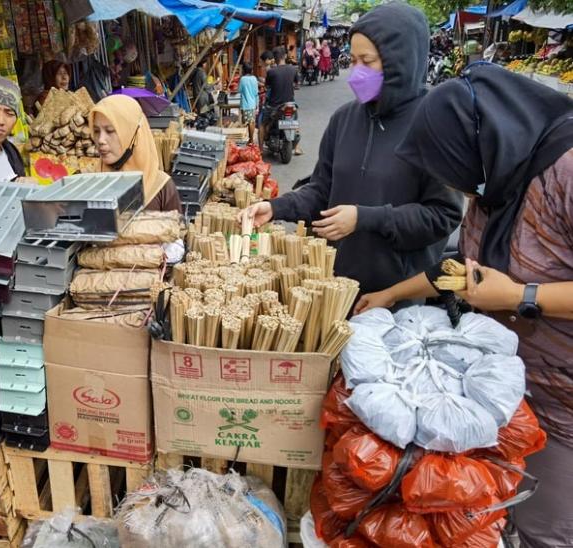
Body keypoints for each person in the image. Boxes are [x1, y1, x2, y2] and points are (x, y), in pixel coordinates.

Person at [354, 63, 573, 546]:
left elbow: (504, 286)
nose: (457, 186)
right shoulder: (499, 178)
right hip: (505, 391)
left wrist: (521, 297)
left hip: (563, 407)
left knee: (544, 525)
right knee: (492, 511)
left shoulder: (565, 170)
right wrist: (392, 295)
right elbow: (462, 268)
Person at [240, 3, 463, 296]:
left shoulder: (435, 125)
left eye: (367, 61)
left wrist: (365, 218)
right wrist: (276, 207)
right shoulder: (344, 119)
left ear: (400, 60)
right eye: (353, 59)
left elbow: (442, 216)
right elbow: (322, 190)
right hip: (337, 287)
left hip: (397, 296)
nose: (356, 71)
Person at [90, 94, 182, 213]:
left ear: (134, 134)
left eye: (110, 131)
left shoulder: (161, 187)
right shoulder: (90, 185)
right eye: (96, 131)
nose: (101, 140)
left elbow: (177, 229)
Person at [260, 47, 301, 155]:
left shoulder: (271, 72)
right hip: (290, 103)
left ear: (274, 58)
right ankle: (297, 147)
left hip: (274, 106)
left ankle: (259, 150)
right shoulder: (293, 69)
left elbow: (267, 86)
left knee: (262, 124)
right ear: (285, 56)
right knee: (294, 122)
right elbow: (297, 83)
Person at [238, 62, 259, 145]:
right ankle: (251, 139)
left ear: (243, 70)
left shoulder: (243, 79)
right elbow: (256, 92)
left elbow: (239, 90)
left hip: (246, 104)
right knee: (252, 122)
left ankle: (251, 140)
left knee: (249, 122)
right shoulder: (254, 78)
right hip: (253, 103)